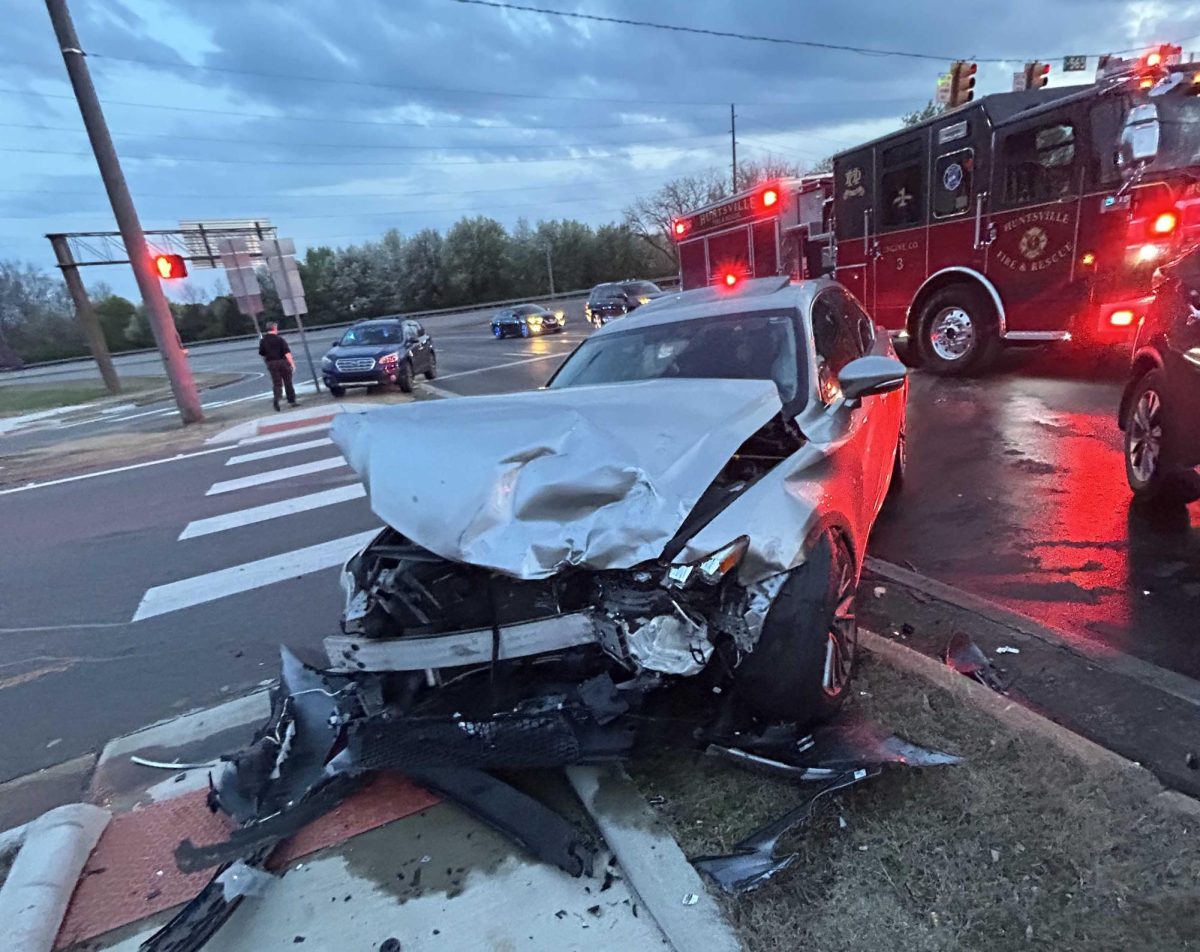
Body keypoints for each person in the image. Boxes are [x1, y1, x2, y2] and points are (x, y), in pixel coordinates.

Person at [258, 322, 297, 411]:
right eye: (276, 328)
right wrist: (292, 364)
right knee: (288, 381)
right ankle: (291, 401)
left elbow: (262, 353)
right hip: (282, 362)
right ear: (274, 328)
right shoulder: (280, 339)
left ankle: (277, 399)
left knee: (277, 383)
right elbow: (287, 353)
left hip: (271, 363)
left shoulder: (263, 340)